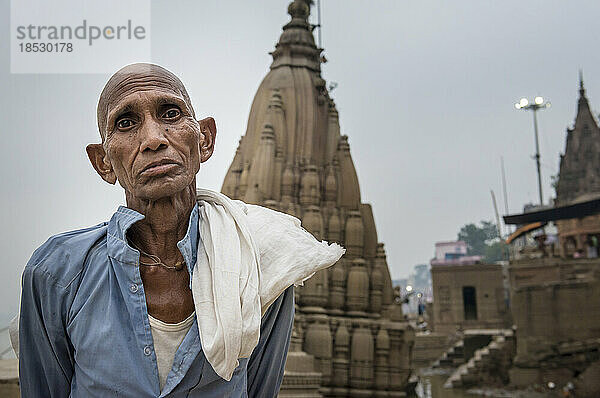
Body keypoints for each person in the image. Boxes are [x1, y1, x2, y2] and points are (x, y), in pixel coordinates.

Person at [17, 63, 343, 397]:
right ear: (103, 162)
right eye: (126, 122)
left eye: (171, 113)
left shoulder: (259, 268)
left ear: (205, 140)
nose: (153, 139)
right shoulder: (58, 274)